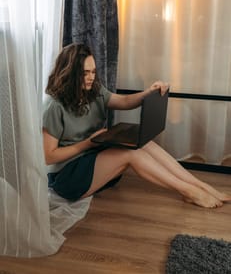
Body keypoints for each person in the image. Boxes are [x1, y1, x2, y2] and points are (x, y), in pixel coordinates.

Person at [43, 43, 230, 209]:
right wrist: (87, 143)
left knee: (143, 141)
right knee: (132, 153)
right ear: (70, 73)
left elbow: (124, 101)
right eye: (85, 73)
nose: (91, 77)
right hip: (67, 177)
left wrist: (149, 92)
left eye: (93, 71)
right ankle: (189, 191)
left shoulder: (94, 91)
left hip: (93, 158)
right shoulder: (54, 106)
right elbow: (48, 157)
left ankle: (200, 185)